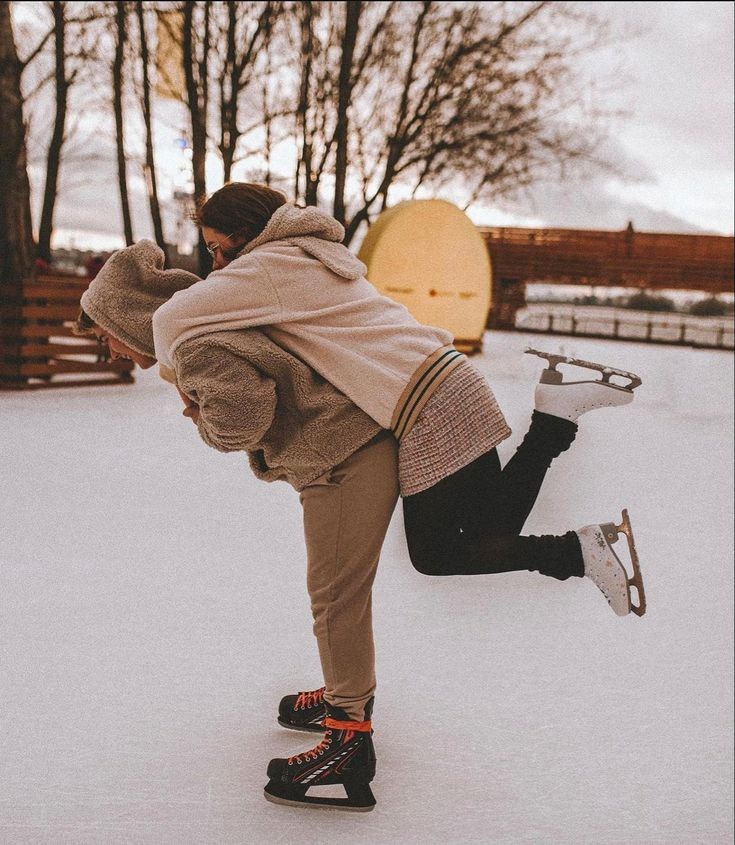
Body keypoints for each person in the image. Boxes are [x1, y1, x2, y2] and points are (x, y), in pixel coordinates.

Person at [76, 239, 399, 812]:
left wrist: (202, 414)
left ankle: (348, 739)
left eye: (105, 335)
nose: (109, 349)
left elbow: (242, 421)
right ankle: (345, 696)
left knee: (336, 597)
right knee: (338, 593)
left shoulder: (195, 346)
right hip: (341, 450)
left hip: (343, 457)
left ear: (128, 319)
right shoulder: (205, 330)